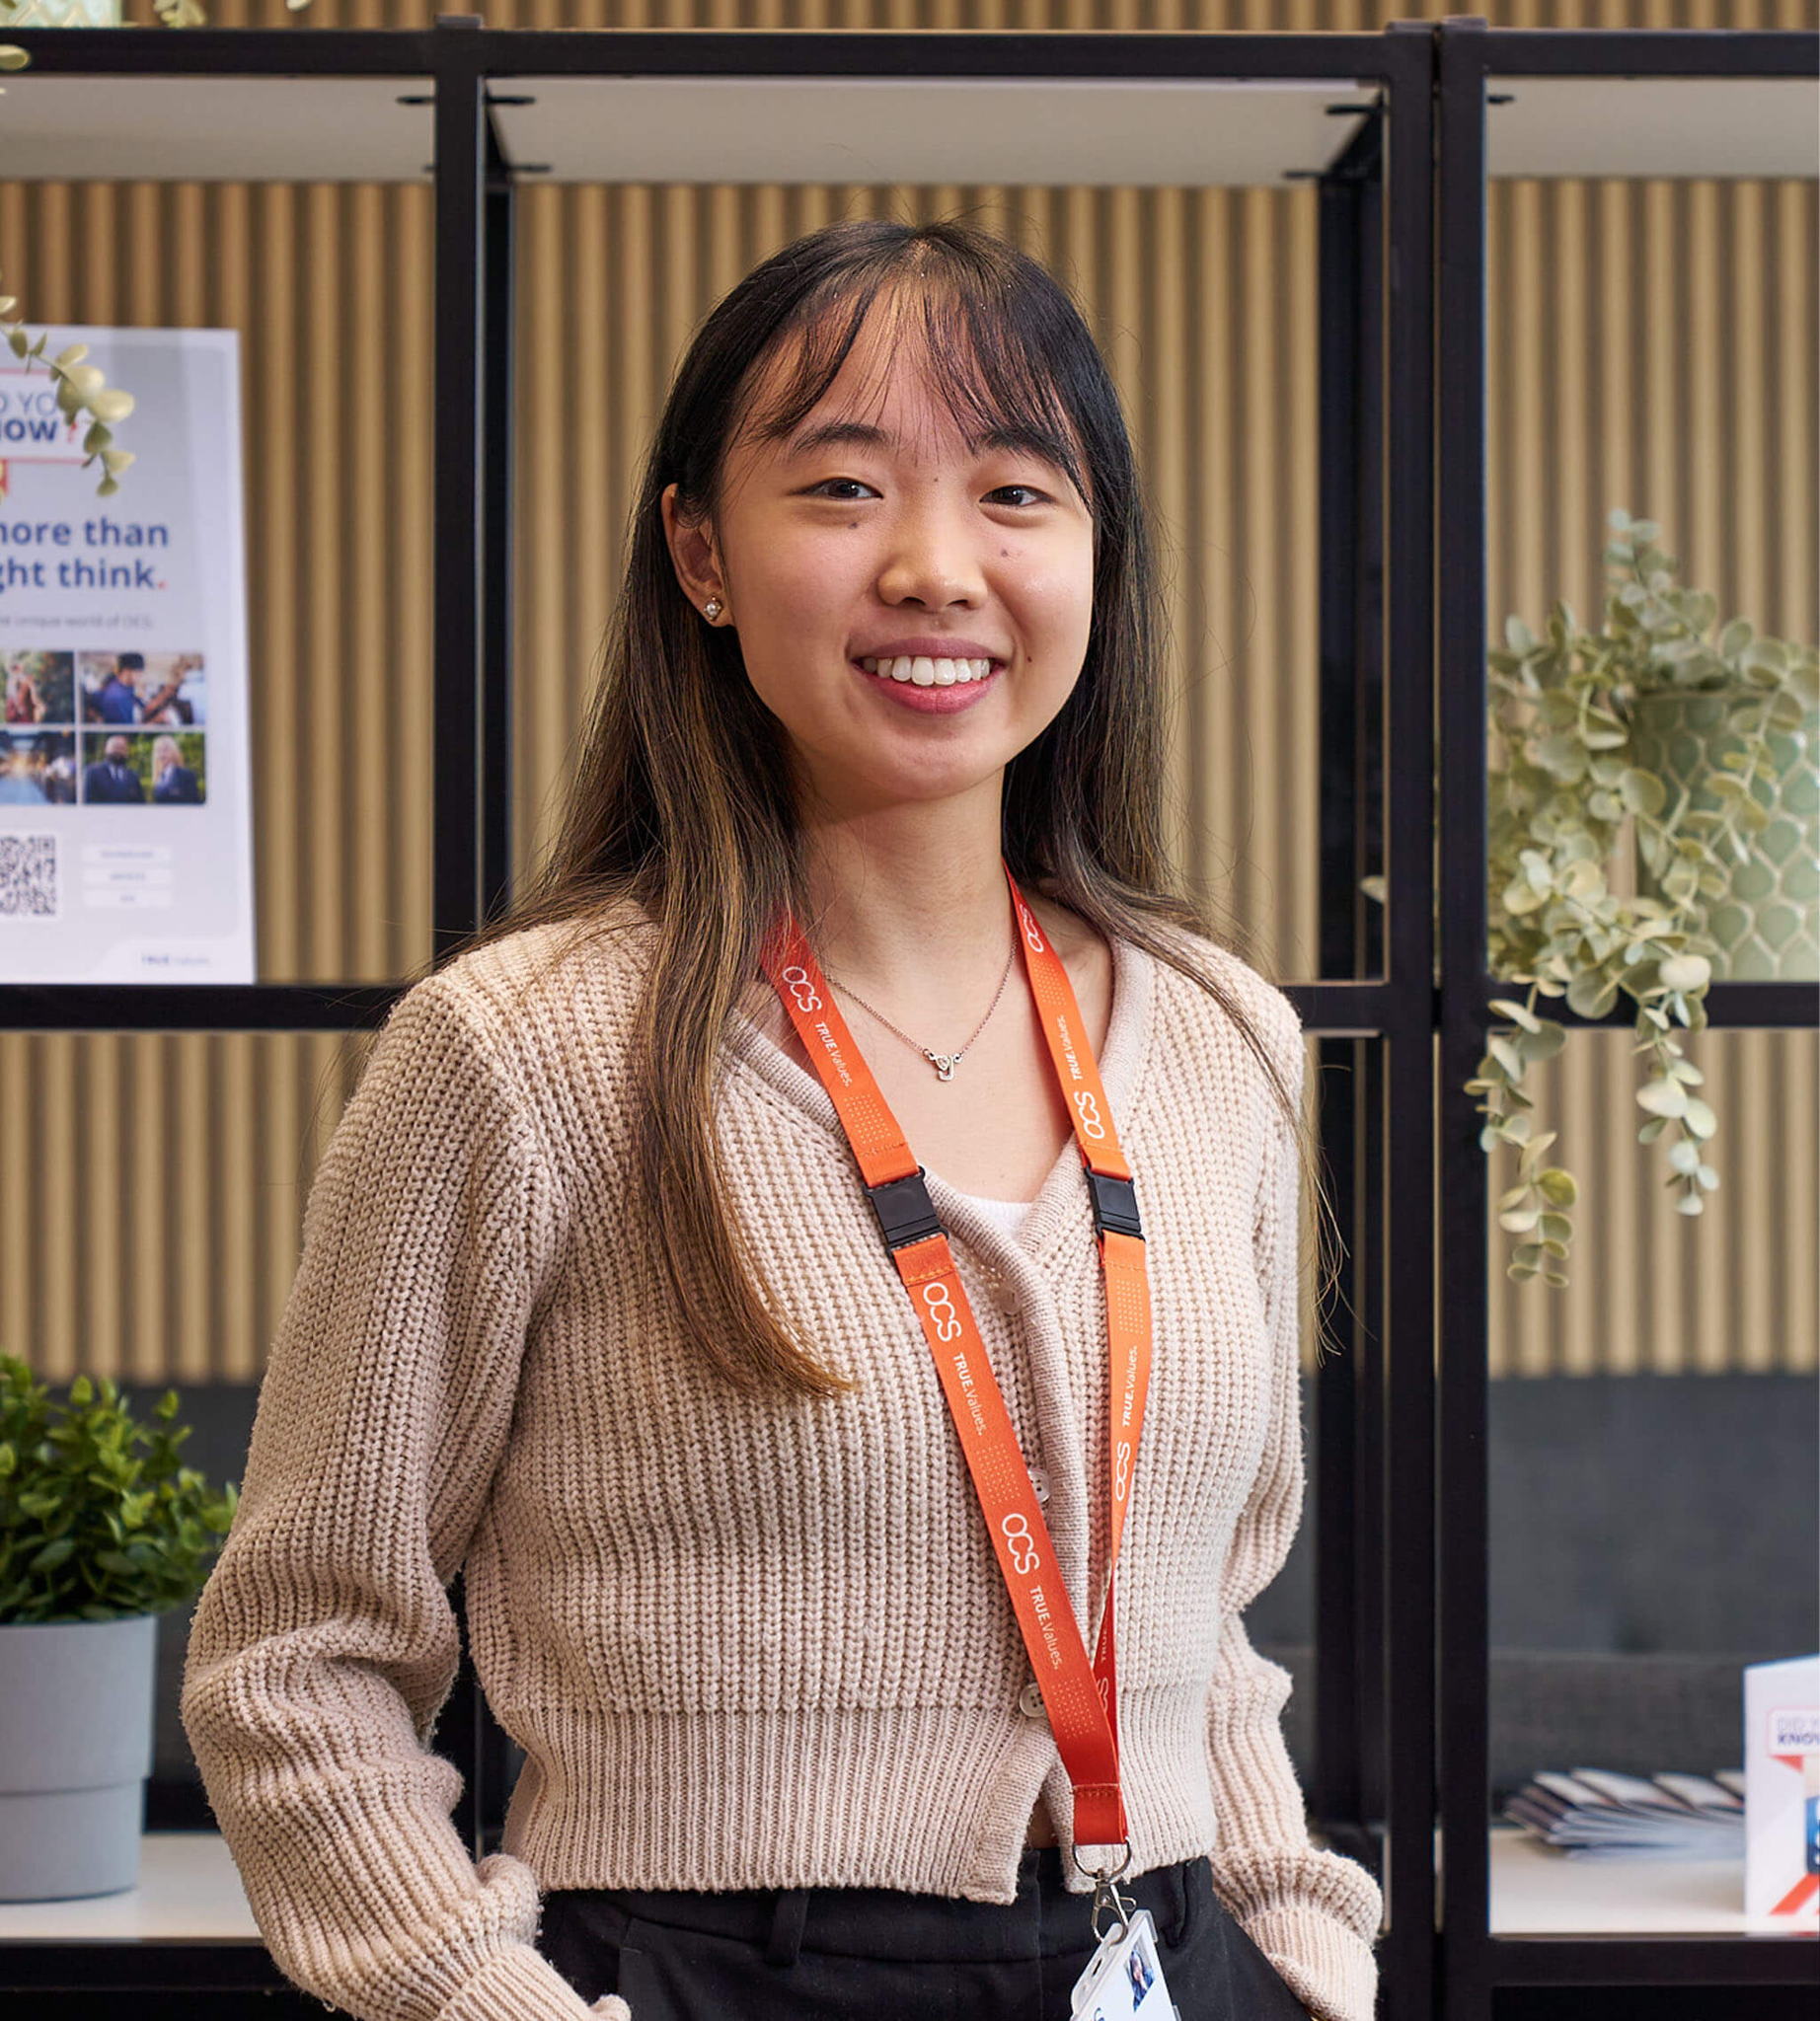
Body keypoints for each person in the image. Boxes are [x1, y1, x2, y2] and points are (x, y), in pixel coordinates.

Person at [181, 217, 1383, 2021]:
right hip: (712, 1972)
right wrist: (473, 2001)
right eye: (840, 486)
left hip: (1176, 1958)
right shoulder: (520, 1054)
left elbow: (1204, 1625)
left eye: (1015, 492)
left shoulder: (1223, 1038)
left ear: (1098, 560)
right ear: (701, 554)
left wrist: (1303, 1956)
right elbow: (294, 1662)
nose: (933, 565)